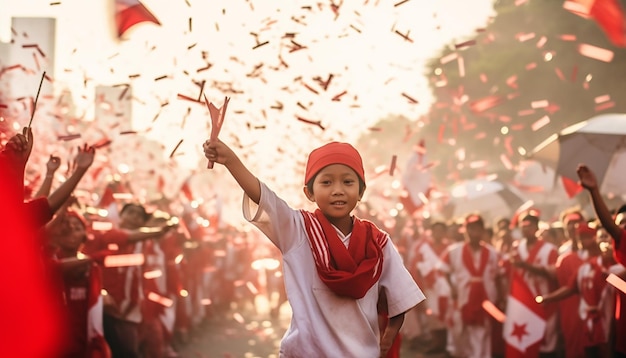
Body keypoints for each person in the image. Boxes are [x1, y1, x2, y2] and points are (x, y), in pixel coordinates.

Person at [203, 139, 425, 357]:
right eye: (326, 183)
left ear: (361, 192)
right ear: (309, 193)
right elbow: (264, 198)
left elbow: (400, 296)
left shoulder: (378, 242)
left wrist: (388, 338)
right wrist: (231, 160)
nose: (337, 190)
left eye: (348, 182)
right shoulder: (297, 230)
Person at [538, 222, 625, 358]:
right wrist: (547, 298)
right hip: (590, 322)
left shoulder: (612, 265)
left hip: (611, 320)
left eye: (586, 237)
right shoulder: (584, 268)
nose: (583, 241)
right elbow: (570, 288)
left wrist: (609, 276)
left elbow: (621, 286)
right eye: (580, 238)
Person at [437, 213, 503, 358]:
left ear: (483, 231)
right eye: (471, 230)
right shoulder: (454, 251)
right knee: (460, 333)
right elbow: (443, 269)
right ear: (465, 231)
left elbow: (499, 276)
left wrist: (501, 297)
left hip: (486, 299)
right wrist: (452, 287)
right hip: (462, 298)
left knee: (483, 333)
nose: (474, 233)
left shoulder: (492, 253)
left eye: (478, 229)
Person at [510, 213, 560, 356]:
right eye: (523, 226)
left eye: (529, 226)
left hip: (545, 299)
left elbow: (553, 274)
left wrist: (526, 265)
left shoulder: (549, 249)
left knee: (547, 338)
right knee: (526, 337)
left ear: (536, 227)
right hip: (524, 301)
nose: (526, 229)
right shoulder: (516, 248)